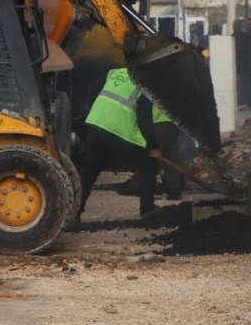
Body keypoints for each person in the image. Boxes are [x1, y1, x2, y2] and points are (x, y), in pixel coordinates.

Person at [76, 66, 161, 221]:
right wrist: (153, 146)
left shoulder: (115, 72)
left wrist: (92, 110)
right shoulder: (145, 82)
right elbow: (145, 119)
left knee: (89, 172)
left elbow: (92, 88)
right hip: (118, 131)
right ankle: (147, 210)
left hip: (96, 126)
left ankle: (74, 214)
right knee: (148, 165)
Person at [151, 104, 182, 201]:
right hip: (172, 122)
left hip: (157, 123)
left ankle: (142, 187)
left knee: (150, 156)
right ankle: (174, 191)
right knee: (171, 157)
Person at [233, 17, 251, 109]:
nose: (245, 26)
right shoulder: (242, 35)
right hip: (244, 65)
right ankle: (247, 102)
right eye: (244, 24)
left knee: (250, 85)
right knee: (245, 84)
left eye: (247, 24)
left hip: (250, 65)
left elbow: (250, 50)